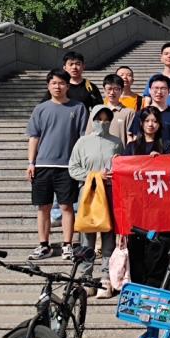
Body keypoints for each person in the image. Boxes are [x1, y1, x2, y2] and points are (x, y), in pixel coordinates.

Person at [27, 70, 89, 261]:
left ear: (68, 86)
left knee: (67, 206)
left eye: (61, 83)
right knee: (43, 207)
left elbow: (83, 138)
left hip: (67, 167)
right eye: (54, 83)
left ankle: (67, 245)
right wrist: (31, 163)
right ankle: (44, 245)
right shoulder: (40, 109)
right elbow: (34, 137)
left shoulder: (78, 107)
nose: (57, 86)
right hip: (42, 165)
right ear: (48, 85)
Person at [68, 104, 123, 298]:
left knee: (108, 235)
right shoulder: (82, 142)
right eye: (99, 119)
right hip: (88, 193)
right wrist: (95, 175)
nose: (103, 123)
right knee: (87, 236)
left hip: (109, 192)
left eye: (107, 120)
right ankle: (86, 277)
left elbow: (122, 166)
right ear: (93, 120)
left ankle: (106, 277)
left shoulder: (116, 142)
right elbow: (73, 168)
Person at [124, 107, 169, 285]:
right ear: (141, 123)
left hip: (159, 205)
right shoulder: (132, 147)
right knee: (136, 246)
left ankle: (154, 285)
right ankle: (138, 285)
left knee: (157, 246)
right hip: (136, 204)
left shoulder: (166, 145)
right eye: (147, 121)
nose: (151, 124)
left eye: (155, 121)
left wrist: (163, 159)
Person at [131, 73, 170, 150]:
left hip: (169, 155)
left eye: (163, 88)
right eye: (156, 88)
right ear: (149, 90)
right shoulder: (140, 114)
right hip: (145, 155)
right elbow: (135, 137)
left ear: (169, 91)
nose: (159, 92)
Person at [90, 74, 135, 144]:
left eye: (116, 89)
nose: (112, 92)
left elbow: (131, 138)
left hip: (120, 150)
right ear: (104, 90)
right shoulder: (96, 111)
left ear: (122, 90)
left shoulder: (129, 113)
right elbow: (88, 134)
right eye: (109, 89)